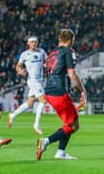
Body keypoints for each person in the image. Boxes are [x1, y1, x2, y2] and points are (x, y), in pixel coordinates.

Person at [37, 29, 87, 160]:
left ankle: (61, 152)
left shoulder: (52, 53)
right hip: (59, 92)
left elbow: (47, 72)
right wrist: (82, 90)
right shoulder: (68, 52)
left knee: (68, 123)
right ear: (70, 41)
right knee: (74, 125)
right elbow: (72, 74)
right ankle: (46, 141)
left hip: (49, 91)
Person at [8, 36, 47, 135]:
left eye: (35, 42)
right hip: (33, 80)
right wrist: (20, 71)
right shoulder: (24, 54)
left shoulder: (41, 52)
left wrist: (46, 66)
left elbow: (47, 62)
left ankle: (12, 115)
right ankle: (36, 124)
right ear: (28, 43)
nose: (34, 43)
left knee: (30, 104)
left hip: (40, 80)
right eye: (32, 42)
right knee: (43, 101)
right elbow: (18, 66)